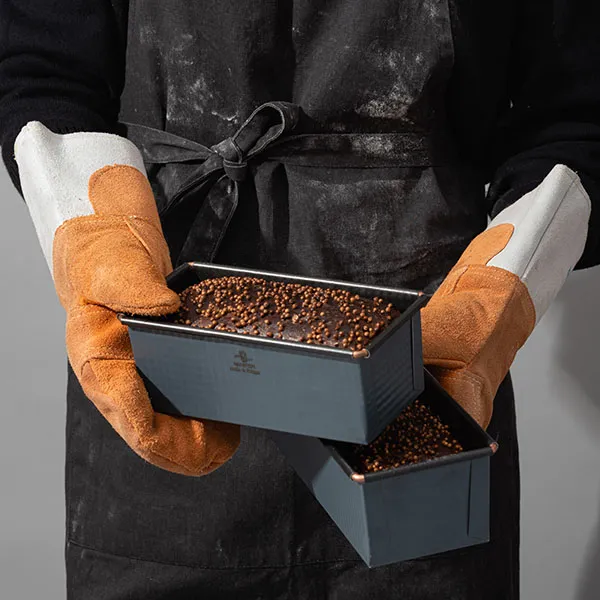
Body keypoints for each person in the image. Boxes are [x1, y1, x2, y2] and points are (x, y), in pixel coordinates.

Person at [1, 1, 599, 598]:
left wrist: (502, 286)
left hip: (422, 370)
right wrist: (97, 236)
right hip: (164, 358)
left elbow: (574, 116)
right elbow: (45, 70)